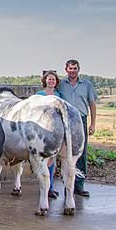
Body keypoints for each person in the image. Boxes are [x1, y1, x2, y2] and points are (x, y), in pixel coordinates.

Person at [57, 59, 98, 197]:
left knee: (80, 153)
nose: (72, 71)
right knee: (63, 152)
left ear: (78, 69)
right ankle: (66, 184)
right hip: (64, 120)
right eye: (70, 68)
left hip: (81, 120)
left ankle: (79, 185)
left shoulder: (86, 85)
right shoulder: (61, 85)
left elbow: (92, 104)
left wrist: (92, 124)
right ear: (66, 69)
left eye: (75, 68)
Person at [36, 70, 62, 199]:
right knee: (43, 160)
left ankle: (50, 187)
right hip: (41, 130)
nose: (51, 81)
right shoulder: (39, 95)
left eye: (53, 79)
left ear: (56, 82)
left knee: (52, 160)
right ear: (45, 81)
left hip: (54, 131)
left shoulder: (59, 95)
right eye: (49, 79)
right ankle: (44, 186)